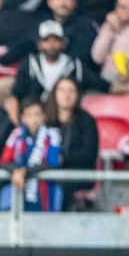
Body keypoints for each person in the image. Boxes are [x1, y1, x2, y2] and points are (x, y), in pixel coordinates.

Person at [12, 20, 129, 107]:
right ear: (39, 44)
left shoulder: (74, 66)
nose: (52, 45)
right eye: (47, 41)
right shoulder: (29, 64)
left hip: (64, 121)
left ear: (63, 43)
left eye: (56, 40)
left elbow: (103, 85)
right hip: (34, 120)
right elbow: (15, 96)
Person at [44, 77, 99, 211]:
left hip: (77, 174)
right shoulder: (46, 120)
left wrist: (64, 159)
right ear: (54, 94)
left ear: (77, 94)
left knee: (59, 187)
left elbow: (89, 154)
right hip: (47, 171)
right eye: (62, 91)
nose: (66, 95)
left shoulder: (87, 120)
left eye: (71, 91)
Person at [0, 97, 62, 212]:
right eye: (29, 115)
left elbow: (52, 163)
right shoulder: (15, 135)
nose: (34, 119)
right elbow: (4, 161)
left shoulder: (52, 135)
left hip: (44, 192)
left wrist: (24, 172)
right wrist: (16, 171)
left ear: (44, 116)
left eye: (37, 114)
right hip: (19, 188)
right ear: (23, 117)